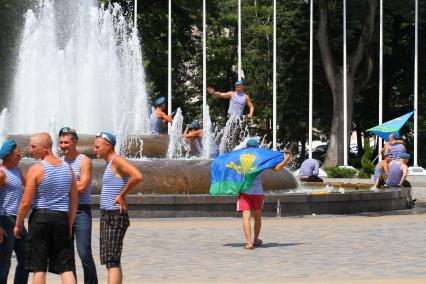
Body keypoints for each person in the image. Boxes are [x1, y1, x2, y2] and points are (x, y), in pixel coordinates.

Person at [13, 133, 78, 284]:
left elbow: (26, 202)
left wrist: (18, 223)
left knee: (39, 268)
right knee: (66, 267)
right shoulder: (68, 169)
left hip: (41, 219)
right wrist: (69, 223)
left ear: (46, 148)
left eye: (34, 146)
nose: (31, 149)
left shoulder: (36, 169)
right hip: (61, 218)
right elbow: (74, 200)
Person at [93, 132, 143, 284]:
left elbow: (137, 176)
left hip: (114, 215)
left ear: (108, 146)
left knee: (112, 260)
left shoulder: (117, 160)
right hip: (109, 214)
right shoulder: (110, 163)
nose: (94, 149)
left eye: (97, 147)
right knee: (111, 260)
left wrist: (122, 195)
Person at [59, 127, 98, 284]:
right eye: (61, 142)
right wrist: (73, 183)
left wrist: (65, 185)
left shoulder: (84, 161)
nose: (63, 146)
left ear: (75, 142)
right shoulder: (59, 162)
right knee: (66, 254)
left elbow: (82, 187)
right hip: (64, 212)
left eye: (66, 142)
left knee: (84, 252)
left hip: (81, 211)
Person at [237, 138, 290, 250]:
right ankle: (256, 239)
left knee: (246, 216)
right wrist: (286, 160)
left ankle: (249, 243)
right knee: (257, 217)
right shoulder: (261, 158)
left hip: (244, 191)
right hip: (257, 192)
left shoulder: (239, 157)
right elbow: (276, 168)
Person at [0, 140, 29, 284]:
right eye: (18, 155)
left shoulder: (16, 170)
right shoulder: (1, 174)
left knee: (26, 257)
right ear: (9, 155)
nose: (21, 157)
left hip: (17, 221)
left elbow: (29, 184)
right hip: (5, 221)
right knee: (4, 263)